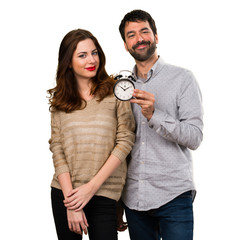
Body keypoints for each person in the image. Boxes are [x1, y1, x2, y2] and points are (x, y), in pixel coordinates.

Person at [117, 10, 204, 240]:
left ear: (156, 36)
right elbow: (118, 143)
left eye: (145, 31)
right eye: (131, 35)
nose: (139, 38)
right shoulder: (120, 86)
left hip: (174, 194)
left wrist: (154, 115)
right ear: (126, 45)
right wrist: (117, 200)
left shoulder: (183, 79)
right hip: (134, 198)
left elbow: (195, 137)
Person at [47, 29, 135, 240]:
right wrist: (71, 201)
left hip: (104, 192)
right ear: (68, 62)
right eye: (82, 55)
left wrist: (91, 188)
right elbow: (57, 149)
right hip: (65, 192)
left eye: (94, 53)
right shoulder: (60, 101)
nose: (91, 60)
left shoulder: (116, 92)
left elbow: (125, 140)